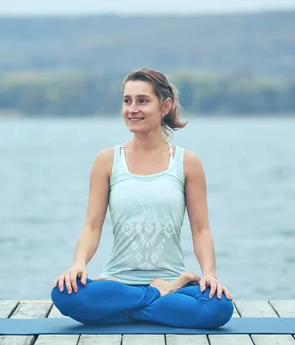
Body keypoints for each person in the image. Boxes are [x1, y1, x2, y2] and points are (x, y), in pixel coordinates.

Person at [51, 68, 233, 329]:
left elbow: (201, 229)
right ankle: (157, 295)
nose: (132, 109)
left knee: (219, 307)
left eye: (142, 101)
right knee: (63, 294)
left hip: (168, 279)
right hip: (118, 282)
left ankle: (126, 309)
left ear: (165, 106)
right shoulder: (107, 160)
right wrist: (78, 265)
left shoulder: (187, 162)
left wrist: (209, 274)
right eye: (127, 101)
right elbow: (92, 225)